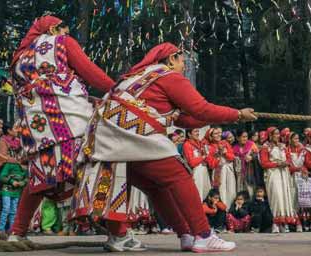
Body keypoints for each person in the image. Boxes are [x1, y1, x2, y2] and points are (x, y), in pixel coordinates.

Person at [74, 43, 255, 252]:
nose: (184, 67)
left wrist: (229, 117)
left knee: (155, 186)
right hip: (128, 135)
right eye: (182, 61)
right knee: (179, 175)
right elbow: (201, 109)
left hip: (106, 139)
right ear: (171, 59)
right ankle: (203, 234)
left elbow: (182, 120)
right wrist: (236, 115)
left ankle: (184, 234)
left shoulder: (137, 78)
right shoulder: (168, 76)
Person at [7, 15, 117, 242]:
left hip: (39, 129)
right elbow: (90, 72)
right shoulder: (62, 43)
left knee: (40, 177)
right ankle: (118, 234)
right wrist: (117, 89)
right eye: (64, 30)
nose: (67, 34)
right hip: (71, 120)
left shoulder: (19, 58)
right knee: (99, 168)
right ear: (55, 28)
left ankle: (16, 233)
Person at [259, 127, 299, 233]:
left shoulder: (283, 146)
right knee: (276, 197)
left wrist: (287, 162)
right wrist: (277, 164)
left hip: (284, 173)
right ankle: (275, 223)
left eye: (278, 134)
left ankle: (283, 223)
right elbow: (263, 163)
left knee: (285, 197)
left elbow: (289, 158)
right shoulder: (265, 147)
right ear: (270, 135)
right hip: (273, 173)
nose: (277, 136)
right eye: (275, 134)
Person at [0, 123, 27, 233]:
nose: (19, 130)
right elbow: (3, 159)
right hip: (7, 188)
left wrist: (22, 182)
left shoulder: (19, 141)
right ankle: (0, 230)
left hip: (17, 189)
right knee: (6, 209)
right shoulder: (3, 141)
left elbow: (26, 178)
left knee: (14, 210)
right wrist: (11, 181)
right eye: (16, 128)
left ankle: (12, 229)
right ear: (9, 131)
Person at [206, 128, 237, 206]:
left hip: (229, 169)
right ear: (210, 136)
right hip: (218, 170)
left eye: (219, 133)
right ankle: (222, 209)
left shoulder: (225, 143)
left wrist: (225, 153)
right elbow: (211, 164)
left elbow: (232, 157)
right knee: (221, 190)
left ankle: (231, 209)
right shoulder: (208, 147)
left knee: (231, 189)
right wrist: (218, 156)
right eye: (215, 134)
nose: (218, 135)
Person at [183, 128, 212, 200]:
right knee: (198, 194)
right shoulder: (187, 145)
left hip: (204, 170)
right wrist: (203, 156)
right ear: (189, 134)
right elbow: (192, 163)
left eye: (198, 131)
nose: (198, 133)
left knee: (206, 192)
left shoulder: (200, 143)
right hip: (196, 172)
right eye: (195, 131)